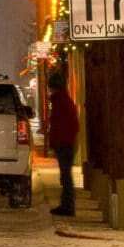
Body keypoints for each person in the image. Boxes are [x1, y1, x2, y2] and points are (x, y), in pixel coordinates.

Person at [46, 65, 79, 217]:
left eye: (51, 88)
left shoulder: (61, 102)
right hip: (66, 142)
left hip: (64, 143)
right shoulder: (64, 101)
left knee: (66, 176)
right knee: (65, 176)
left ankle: (67, 206)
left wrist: (55, 139)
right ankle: (66, 204)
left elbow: (63, 124)